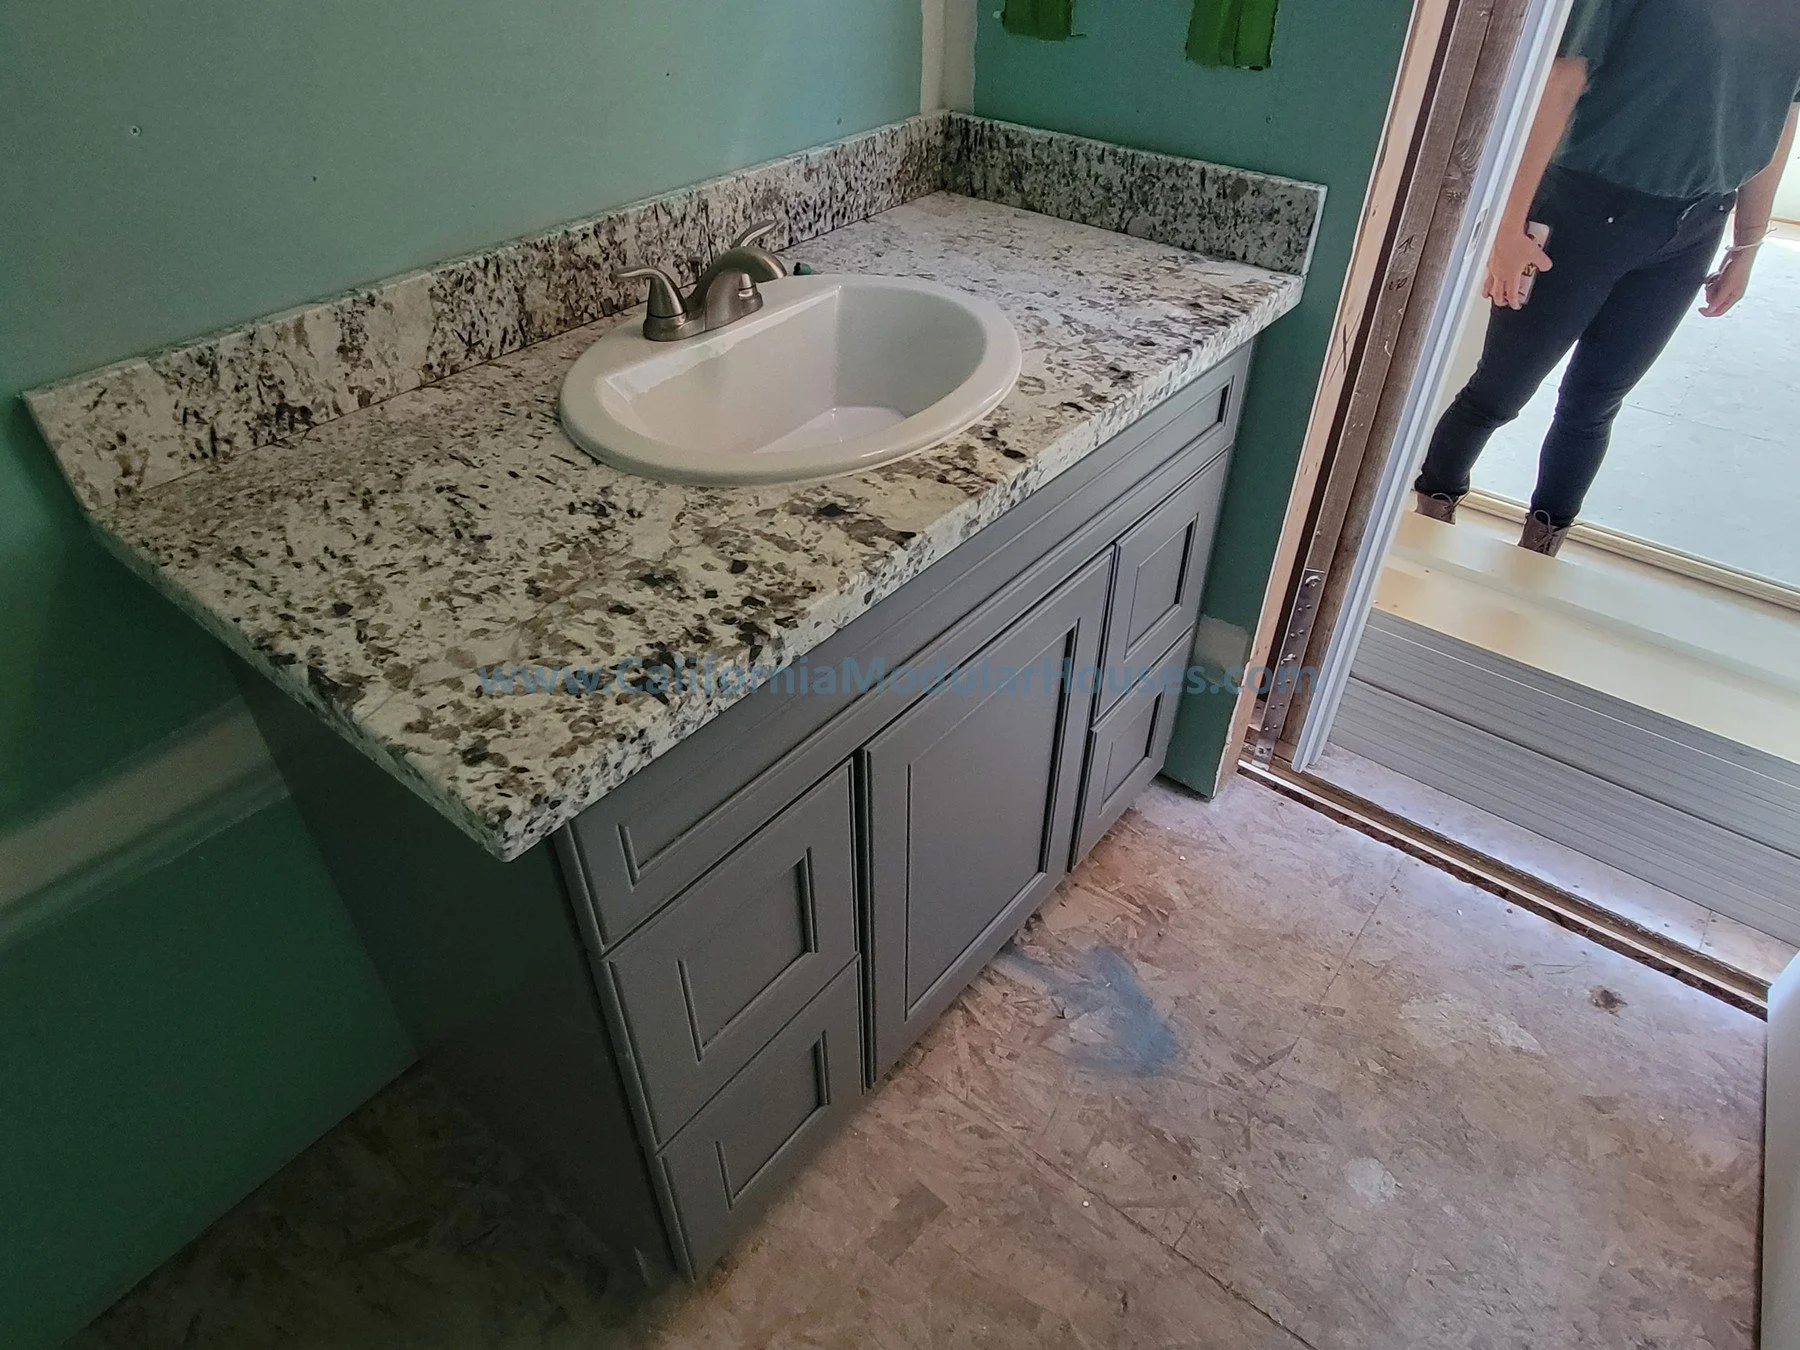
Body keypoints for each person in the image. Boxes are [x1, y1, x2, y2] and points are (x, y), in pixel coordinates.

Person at [1414, 0, 1800, 555]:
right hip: (1584, 212)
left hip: (1697, 226)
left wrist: (1748, 240)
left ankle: (1539, 554)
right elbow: (1562, 80)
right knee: (1498, 393)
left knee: (1594, 405)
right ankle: (1427, 526)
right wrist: (1507, 225)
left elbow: (1780, 115)